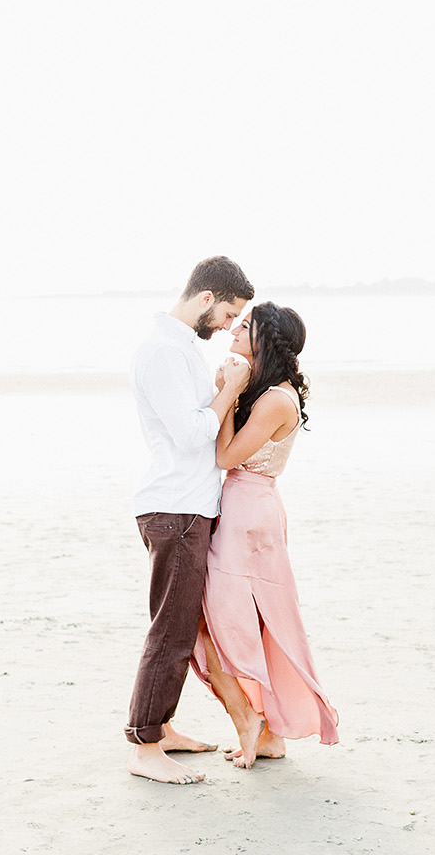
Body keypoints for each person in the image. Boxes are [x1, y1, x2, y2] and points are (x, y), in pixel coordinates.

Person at [124, 256, 254, 785]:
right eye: (227, 314)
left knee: (180, 626)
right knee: (172, 630)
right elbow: (192, 433)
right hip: (174, 508)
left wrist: (220, 387)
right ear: (206, 299)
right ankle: (145, 746)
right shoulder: (162, 351)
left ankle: (163, 726)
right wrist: (231, 390)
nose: (227, 326)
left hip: (188, 505)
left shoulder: (178, 349)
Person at [192, 301, 339, 768]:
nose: (235, 329)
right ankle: (268, 730)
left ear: (266, 342)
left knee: (227, 622)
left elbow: (227, 456)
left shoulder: (276, 398)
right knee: (246, 621)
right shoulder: (268, 391)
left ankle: (258, 724)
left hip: (249, 513)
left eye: (246, 326)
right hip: (245, 510)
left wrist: (230, 395)